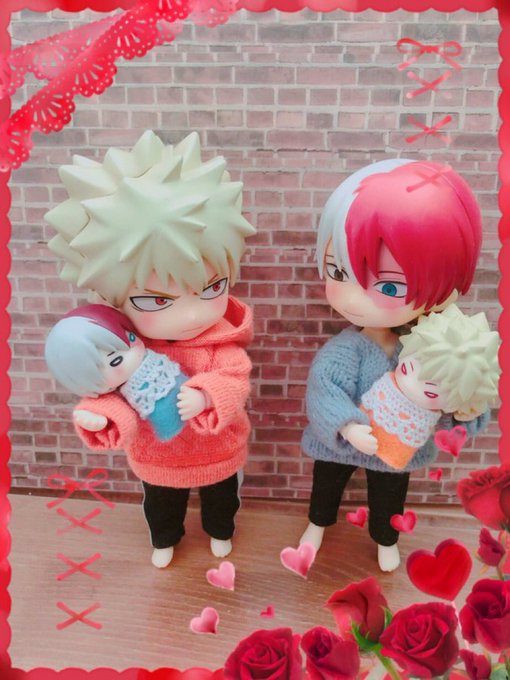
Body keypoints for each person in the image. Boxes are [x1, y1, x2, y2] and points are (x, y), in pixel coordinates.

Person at [45, 130, 256, 568]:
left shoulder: (218, 346)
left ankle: (220, 532)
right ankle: (165, 539)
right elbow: (115, 393)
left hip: (217, 448)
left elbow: (235, 378)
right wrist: (101, 414)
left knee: (222, 500)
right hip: (158, 455)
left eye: (212, 288)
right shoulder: (126, 350)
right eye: (157, 301)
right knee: (161, 505)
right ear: (111, 297)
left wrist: (208, 395)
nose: (191, 313)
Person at [299, 158, 490, 572]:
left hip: (397, 448)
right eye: (338, 271)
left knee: (389, 498)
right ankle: (317, 524)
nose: (353, 297)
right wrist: (348, 426)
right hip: (341, 444)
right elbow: (324, 389)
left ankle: (386, 539)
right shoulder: (346, 350)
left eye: (388, 285)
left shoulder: (429, 348)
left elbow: (454, 393)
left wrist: (465, 409)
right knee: (326, 485)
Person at [360, 304, 500, 471]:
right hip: (358, 437)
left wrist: (467, 412)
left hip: (397, 456)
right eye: (405, 369)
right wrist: (348, 428)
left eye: (430, 393)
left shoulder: (447, 404)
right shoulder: (393, 364)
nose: (410, 384)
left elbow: (459, 426)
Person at [45, 304, 189, 443]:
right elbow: (119, 414)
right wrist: (99, 416)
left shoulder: (158, 349)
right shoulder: (119, 395)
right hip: (159, 449)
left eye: (131, 338)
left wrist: (200, 396)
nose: (132, 353)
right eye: (116, 361)